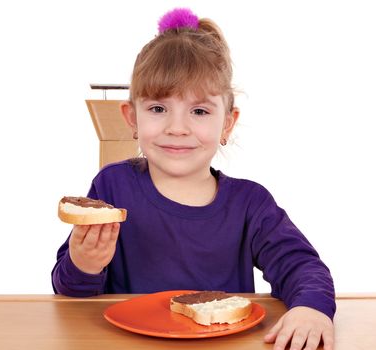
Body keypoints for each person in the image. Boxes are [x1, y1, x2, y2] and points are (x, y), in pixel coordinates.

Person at [52, 8, 335, 350]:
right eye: (158, 109)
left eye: (199, 111)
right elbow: (71, 294)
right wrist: (85, 264)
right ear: (132, 118)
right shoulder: (113, 187)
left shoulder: (250, 204)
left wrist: (310, 308)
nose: (177, 127)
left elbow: (301, 265)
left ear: (227, 124)